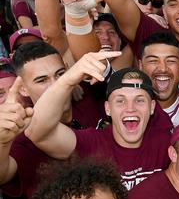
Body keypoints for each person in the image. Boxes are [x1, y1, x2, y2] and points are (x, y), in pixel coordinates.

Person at [25, 59, 171, 190]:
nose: (130, 108)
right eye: (120, 101)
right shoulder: (91, 142)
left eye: (139, 100)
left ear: (152, 107)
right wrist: (67, 80)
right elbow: (37, 132)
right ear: (107, 108)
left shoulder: (165, 143)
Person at [139, 32, 179, 128]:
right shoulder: (127, 110)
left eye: (171, 61)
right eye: (153, 61)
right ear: (140, 66)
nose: (163, 68)